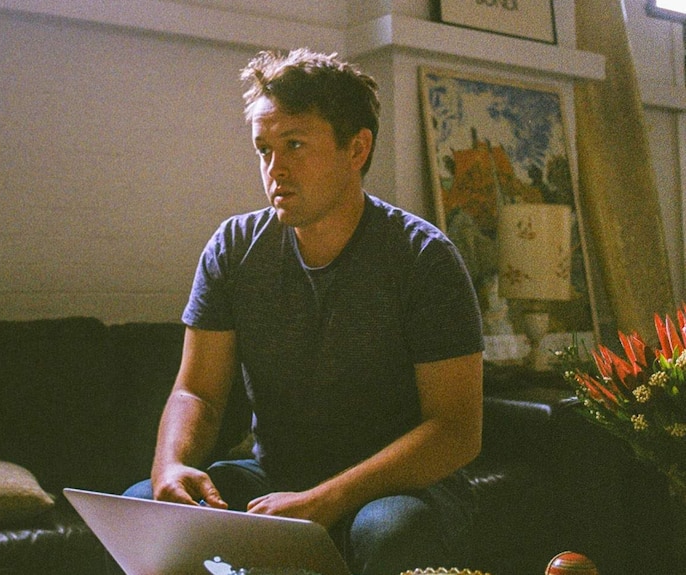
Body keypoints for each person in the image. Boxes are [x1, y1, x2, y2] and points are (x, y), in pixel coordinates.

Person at [124, 48, 485, 574]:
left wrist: (324, 501)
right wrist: (170, 466)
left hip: (402, 490)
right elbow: (197, 389)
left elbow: (455, 430)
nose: (276, 169)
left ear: (357, 148)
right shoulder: (233, 248)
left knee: (387, 531)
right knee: (142, 505)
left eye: (294, 144)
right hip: (277, 481)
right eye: (264, 149)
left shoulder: (423, 258)